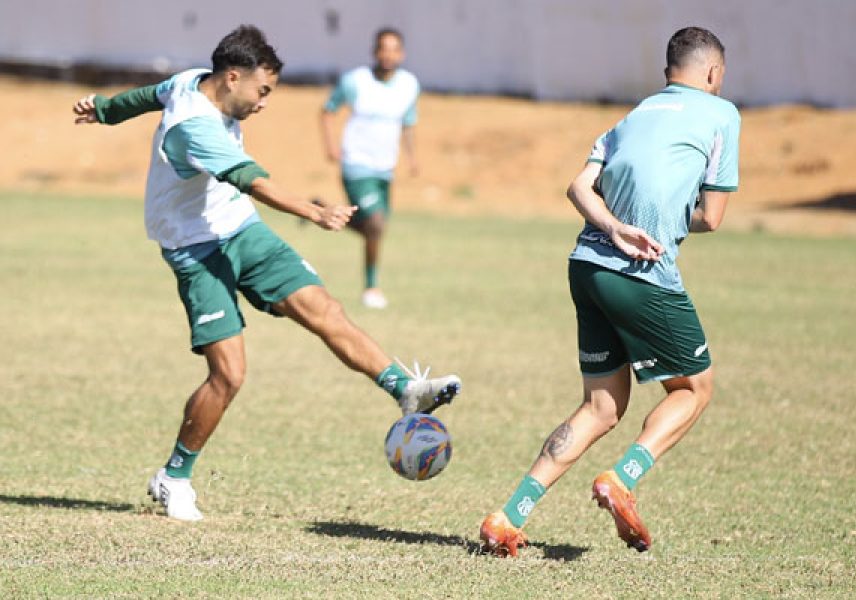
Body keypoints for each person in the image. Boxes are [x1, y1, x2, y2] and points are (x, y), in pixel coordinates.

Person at [72, 25, 460, 522]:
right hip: (194, 247)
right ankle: (174, 477)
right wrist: (313, 211)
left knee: (322, 307)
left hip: (239, 227)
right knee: (229, 374)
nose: (263, 103)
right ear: (233, 77)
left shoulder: (191, 79)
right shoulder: (194, 127)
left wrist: (105, 109)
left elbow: (148, 94)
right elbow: (249, 180)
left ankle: (404, 389)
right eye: (262, 91)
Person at [479, 26, 740, 556]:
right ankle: (622, 478)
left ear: (667, 72)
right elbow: (712, 216)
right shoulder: (722, 114)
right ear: (714, 72)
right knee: (694, 389)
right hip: (641, 275)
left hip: (586, 267)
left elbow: (578, 187)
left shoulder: (633, 116)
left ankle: (508, 516)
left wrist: (615, 227)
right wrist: (657, 224)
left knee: (601, 406)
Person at [319, 27, 420, 309]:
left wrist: (412, 158)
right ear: (374, 51)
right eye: (383, 49)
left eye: (394, 49)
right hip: (356, 165)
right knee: (375, 224)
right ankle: (371, 287)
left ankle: (321, 209)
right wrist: (331, 146)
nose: (388, 55)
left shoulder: (409, 85)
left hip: (385, 167)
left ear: (402, 54)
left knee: (375, 227)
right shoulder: (355, 81)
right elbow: (327, 111)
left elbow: (408, 122)